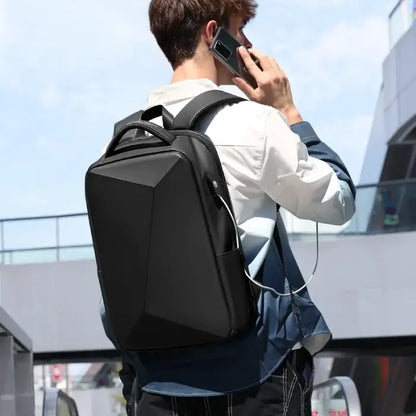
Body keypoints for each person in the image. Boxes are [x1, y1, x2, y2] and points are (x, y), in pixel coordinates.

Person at [101, 0, 356, 414]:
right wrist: (287, 109)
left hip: (158, 385)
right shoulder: (252, 123)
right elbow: (339, 202)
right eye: (240, 32)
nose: (248, 43)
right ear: (212, 33)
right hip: (253, 376)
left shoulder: (119, 145)